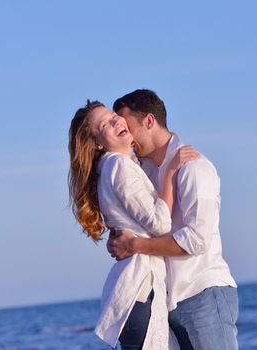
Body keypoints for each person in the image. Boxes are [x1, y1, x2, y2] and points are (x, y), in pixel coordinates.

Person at [107, 89, 239, 350]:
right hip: (163, 304)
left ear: (149, 121)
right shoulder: (140, 175)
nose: (127, 136)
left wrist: (135, 246)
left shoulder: (194, 167)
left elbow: (196, 240)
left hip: (202, 296)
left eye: (129, 126)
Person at [68, 100, 198, 349]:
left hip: (135, 291)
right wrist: (170, 171)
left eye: (114, 116)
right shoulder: (118, 166)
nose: (117, 120)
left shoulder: (112, 167)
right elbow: (159, 223)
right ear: (97, 143)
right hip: (140, 288)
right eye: (106, 123)